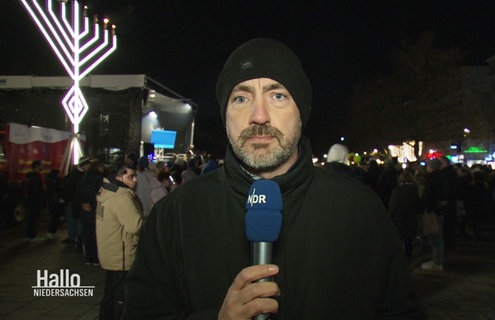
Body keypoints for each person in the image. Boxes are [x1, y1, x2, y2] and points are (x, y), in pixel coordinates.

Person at [123, 38, 424, 319]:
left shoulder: (360, 211)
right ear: (225, 114)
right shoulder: (175, 216)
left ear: (301, 113)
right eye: (241, 98)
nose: (259, 116)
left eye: (277, 95)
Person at [96, 163, 144, 319]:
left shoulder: (106, 190)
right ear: (118, 177)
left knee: (110, 293)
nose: (135, 180)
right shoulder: (121, 196)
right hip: (123, 254)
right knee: (121, 297)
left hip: (111, 251)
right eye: (130, 176)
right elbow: (135, 225)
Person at [420, 158, 449, 272]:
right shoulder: (442, 178)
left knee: (435, 237)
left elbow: (429, 196)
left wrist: (426, 208)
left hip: (433, 212)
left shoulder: (432, 179)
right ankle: (437, 260)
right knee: (437, 236)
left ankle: (437, 262)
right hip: (440, 211)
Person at [388, 170, 422, 263]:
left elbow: (393, 205)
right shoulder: (415, 189)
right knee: (409, 238)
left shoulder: (398, 190)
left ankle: (398, 257)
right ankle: (408, 256)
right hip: (411, 216)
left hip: (400, 216)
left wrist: (390, 216)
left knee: (399, 237)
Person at [78, 160, 106, 265]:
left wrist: (83, 202)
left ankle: (89, 257)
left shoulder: (85, 177)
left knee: (87, 234)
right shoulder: (100, 179)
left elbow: (79, 192)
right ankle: (95, 257)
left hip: (86, 210)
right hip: (95, 209)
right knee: (95, 234)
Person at [61, 156, 91, 246]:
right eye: (89, 165)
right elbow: (70, 189)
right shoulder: (77, 175)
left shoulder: (75, 173)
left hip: (75, 201)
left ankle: (74, 238)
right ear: (84, 165)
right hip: (75, 202)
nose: (89, 167)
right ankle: (78, 238)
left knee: (74, 220)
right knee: (76, 220)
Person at [23, 160, 44, 241]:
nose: (42, 167)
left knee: (31, 218)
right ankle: (32, 235)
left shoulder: (29, 176)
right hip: (34, 201)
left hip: (30, 200)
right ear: (37, 166)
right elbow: (37, 190)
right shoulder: (35, 177)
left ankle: (29, 235)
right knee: (33, 218)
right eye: (41, 165)